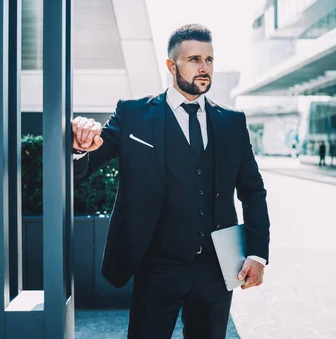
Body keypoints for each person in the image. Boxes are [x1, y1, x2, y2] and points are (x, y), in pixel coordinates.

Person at [72, 24, 270, 339]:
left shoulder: (232, 123)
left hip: (217, 268)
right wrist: (79, 146)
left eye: (209, 59)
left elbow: (253, 191)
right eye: (194, 59)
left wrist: (258, 254)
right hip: (157, 266)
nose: (204, 67)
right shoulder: (134, 115)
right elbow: (85, 164)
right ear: (171, 65)